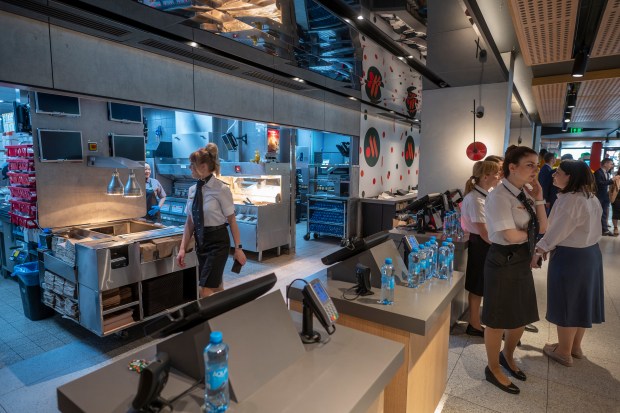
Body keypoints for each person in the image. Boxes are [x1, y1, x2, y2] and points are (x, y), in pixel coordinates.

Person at [482, 145, 548, 395]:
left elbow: (543, 226)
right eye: (530, 165)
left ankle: (507, 356)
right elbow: (508, 235)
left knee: (520, 315)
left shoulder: (526, 194)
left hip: (520, 259)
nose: (535, 170)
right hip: (502, 260)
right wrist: (530, 237)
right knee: (496, 320)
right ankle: (492, 368)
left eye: (537, 165)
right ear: (512, 167)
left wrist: (540, 196)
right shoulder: (499, 196)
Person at [534, 160, 604, 367]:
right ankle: (574, 346)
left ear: (570, 177)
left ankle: (564, 351)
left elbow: (556, 231)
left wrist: (540, 249)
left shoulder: (570, 200)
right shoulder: (590, 197)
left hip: (571, 257)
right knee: (581, 302)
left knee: (566, 302)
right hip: (590, 254)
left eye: (559, 173)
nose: (554, 176)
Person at [176, 143, 247, 297]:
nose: (189, 168)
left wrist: (238, 248)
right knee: (217, 286)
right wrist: (182, 248)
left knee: (205, 290)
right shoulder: (192, 190)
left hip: (218, 242)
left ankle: (207, 320)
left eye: (192, 165)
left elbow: (232, 220)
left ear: (203, 166)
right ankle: (222, 318)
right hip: (201, 242)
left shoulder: (221, 189)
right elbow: (190, 222)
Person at [460, 160, 501, 337]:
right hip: (481, 245)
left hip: (485, 243)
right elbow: (485, 233)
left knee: (482, 286)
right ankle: (474, 324)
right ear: (485, 177)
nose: (499, 176)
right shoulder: (476, 199)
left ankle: (477, 323)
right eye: (496, 173)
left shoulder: (486, 194)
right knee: (477, 286)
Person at [594, 158, 618, 236]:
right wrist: (611, 180)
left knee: (604, 213)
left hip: (605, 195)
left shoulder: (607, 173)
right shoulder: (598, 172)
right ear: (605, 164)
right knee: (598, 213)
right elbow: (599, 183)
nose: (612, 165)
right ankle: (600, 229)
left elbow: (606, 184)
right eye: (611, 164)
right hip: (599, 195)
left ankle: (604, 229)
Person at [611, 169, 620, 236]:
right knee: (616, 213)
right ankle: (615, 228)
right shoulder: (616, 177)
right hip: (617, 197)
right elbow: (611, 187)